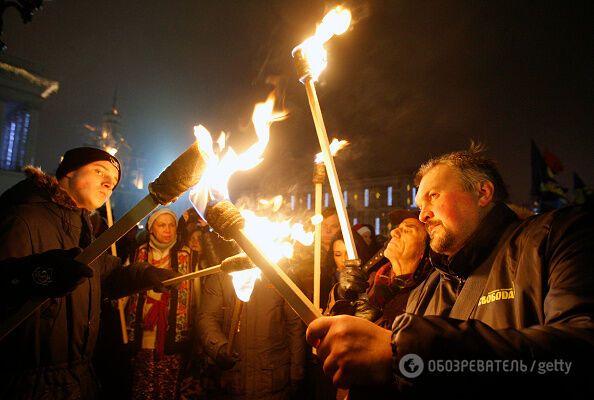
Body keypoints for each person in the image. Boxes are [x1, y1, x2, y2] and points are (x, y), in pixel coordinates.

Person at [306, 144, 594, 397]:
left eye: (433, 196)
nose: (422, 215)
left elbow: (577, 354)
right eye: (419, 205)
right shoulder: (428, 288)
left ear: (482, 192)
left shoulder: (556, 237)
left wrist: (404, 350)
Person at [0, 147, 179, 399]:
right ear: (69, 173)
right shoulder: (24, 217)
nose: (108, 183)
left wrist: (146, 275)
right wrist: (43, 273)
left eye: (114, 182)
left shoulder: (82, 229)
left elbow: (104, 276)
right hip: (25, 385)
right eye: (99, 171)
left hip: (78, 380)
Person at [197, 246, 306, 399]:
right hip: (234, 378)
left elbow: (296, 326)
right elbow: (207, 318)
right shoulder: (222, 275)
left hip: (273, 378)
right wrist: (220, 347)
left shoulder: (282, 276)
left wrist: (297, 371)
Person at [126, 208, 202, 399]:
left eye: (171, 225)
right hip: (142, 335)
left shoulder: (188, 256)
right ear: (152, 229)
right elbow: (123, 291)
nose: (167, 229)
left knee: (169, 388)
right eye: (162, 225)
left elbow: (198, 296)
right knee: (143, 389)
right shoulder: (138, 255)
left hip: (173, 336)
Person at [331, 210, 432, 328]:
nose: (394, 232)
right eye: (398, 227)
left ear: (426, 248)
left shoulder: (430, 290)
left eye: (407, 230)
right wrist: (341, 294)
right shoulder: (371, 280)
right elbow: (333, 327)